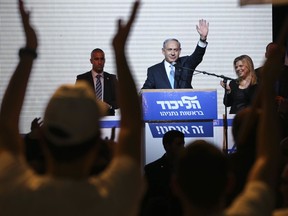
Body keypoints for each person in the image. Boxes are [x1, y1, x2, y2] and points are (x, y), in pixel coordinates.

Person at [0, 1, 143, 216]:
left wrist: (30, 48)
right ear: (98, 143)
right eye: (97, 58)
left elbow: (5, 127)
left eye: (103, 58)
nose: (100, 61)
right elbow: (133, 130)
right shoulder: (116, 198)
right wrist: (120, 51)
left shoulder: (15, 194)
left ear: (44, 140)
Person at [171, 40, 284, 216]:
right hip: (234, 119)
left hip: (247, 120)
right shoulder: (233, 84)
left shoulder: (256, 84)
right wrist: (229, 92)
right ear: (228, 182)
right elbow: (227, 103)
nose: (238, 69)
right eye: (236, 66)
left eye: (241, 66)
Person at [142, 19, 209, 89]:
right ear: (163, 51)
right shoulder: (154, 71)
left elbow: (197, 56)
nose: (173, 53)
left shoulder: (186, 64)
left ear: (179, 51)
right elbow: (145, 91)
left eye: (175, 50)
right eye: (169, 49)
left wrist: (202, 39)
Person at [141, 130, 185, 216]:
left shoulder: (188, 169)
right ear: (167, 146)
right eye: (179, 144)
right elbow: (144, 200)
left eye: (183, 144)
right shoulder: (152, 169)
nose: (183, 147)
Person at [76, 48, 119, 116]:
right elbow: (77, 101)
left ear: (104, 61)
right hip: (88, 118)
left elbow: (120, 101)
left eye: (102, 59)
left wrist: (110, 106)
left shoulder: (112, 79)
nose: (99, 62)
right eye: (96, 59)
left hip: (108, 119)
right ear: (91, 61)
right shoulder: (82, 79)